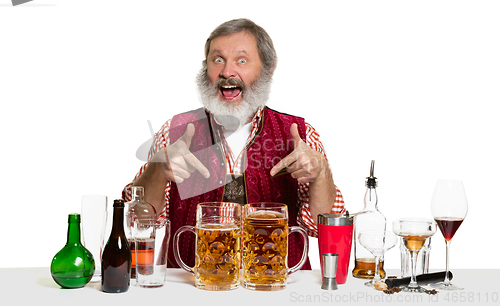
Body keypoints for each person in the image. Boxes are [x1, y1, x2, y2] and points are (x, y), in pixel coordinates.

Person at [122, 18, 346, 269]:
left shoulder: (300, 135)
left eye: (241, 60)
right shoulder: (174, 132)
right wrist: (157, 168)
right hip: (191, 288)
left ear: (268, 69)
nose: (227, 72)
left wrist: (321, 174)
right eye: (217, 60)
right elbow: (138, 222)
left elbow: (324, 228)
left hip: (275, 288)